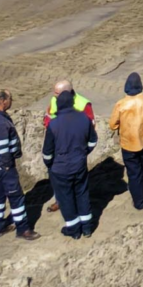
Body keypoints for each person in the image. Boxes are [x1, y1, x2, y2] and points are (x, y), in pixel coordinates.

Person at [43, 81, 99, 237]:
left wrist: (50, 164)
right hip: (79, 163)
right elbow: (93, 140)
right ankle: (87, 227)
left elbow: (47, 152)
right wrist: (83, 153)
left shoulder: (54, 125)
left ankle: (74, 230)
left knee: (65, 198)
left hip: (60, 168)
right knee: (82, 194)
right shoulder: (83, 119)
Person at [0, 90, 34, 237]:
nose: (12, 101)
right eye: (10, 98)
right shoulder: (0, 123)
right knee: (16, 196)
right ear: (4, 101)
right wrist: (7, 166)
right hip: (2, 165)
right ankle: (23, 229)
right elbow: (2, 148)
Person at [109, 72, 143, 212]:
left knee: (134, 174)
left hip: (129, 144)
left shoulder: (120, 104)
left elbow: (112, 125)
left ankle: (139, 202)